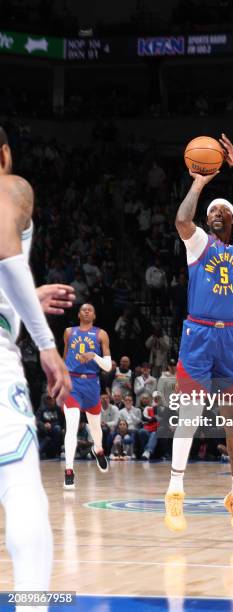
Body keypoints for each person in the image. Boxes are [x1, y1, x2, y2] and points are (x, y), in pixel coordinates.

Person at [165, 133, 233, 534]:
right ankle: (175, 492)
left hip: (230, 340)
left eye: (225, 210)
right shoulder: (199, 244)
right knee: (188, 416)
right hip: (199, 335)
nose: (218, 213)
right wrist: (201, 180)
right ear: (209, 220)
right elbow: (181, 219)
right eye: (214, 211)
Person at [0, 126, 72, 606]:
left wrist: (20, 301)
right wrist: (45, 342)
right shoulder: (10, 185)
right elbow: (5, 248)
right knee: (23, 489)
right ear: (3, 153)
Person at [63, 303, 112, 489]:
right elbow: (65, 357)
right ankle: (69, 470)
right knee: (72, 426)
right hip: (72, 384)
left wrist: (93, 356)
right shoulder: (69, 332)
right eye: (83, 309)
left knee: (95, 430)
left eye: (90, 309)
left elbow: (107, 366)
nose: (86, 311)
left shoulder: (101, 334)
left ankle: (98, 449)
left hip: (92, 384)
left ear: (94, 315)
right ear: (78, 314)